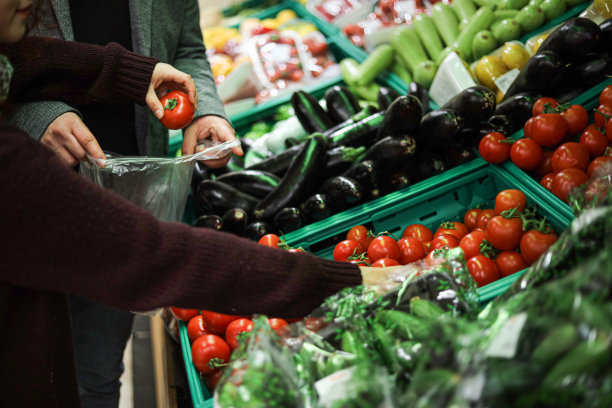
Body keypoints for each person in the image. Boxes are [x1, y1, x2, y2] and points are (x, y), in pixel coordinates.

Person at [0, 1, 392, 406]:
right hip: (60, 207)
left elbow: (35, 60)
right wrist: (334, 282)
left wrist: (175, 94)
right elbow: (153, 256)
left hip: (128, 194)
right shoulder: (12, 168)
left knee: (95, 369)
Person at [4, 1, 243, 406]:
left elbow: (186, 49)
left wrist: (201, 109)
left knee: (97, 374)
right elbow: (15, 64)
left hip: (129, 201)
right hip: (30, 207)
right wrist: (35, 118)